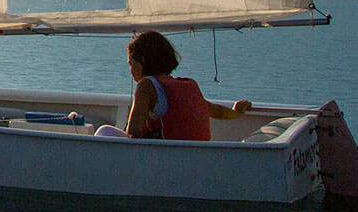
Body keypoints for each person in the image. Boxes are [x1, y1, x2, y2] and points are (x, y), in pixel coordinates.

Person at [94, 30, 251, 139]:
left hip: (163, 157)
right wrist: (237, 112)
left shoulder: (146, 86)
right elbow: (217, 111)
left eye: (131, 64)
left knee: (104, 131)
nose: (130, 70)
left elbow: (134, 132)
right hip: (193, 157)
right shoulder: (186, 86)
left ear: (142, 61)